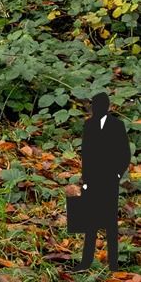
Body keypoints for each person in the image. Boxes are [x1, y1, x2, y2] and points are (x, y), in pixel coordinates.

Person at [78, 90, 131, 269]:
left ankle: (113, 264)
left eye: (100, 106)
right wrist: (85, 179)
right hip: (92, 180)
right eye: (94, 106)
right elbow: (86, 153)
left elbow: (125, 153)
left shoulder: (117, 125)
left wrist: (117, 174)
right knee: (90, 223)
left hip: (109, 180)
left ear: (106, 107)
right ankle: (86, 262)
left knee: (110, 223)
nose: (96, 109)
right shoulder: (89, 125)